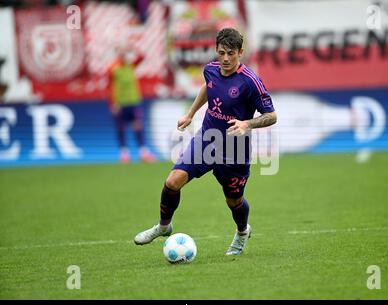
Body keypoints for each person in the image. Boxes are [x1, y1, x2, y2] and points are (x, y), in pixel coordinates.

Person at [134, 28, 277, 255]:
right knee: (172, 182)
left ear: (241, 52)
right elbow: (207, 88)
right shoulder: (210, 70)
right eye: (221, 53)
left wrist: (247, 124)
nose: (226, 58)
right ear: (216, 51)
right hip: (206, 141)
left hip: (234, 152)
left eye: (231, 53)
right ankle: (163, 226)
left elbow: (272, 116)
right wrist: (190, 114)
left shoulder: (251, 82)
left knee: (234, 202)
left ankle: (242, 232)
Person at [107, 45, 156, 164]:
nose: (124, 55)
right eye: (121, 53)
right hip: (120, 103)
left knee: (138, 126)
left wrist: (132, 48)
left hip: (134, 102)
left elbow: (142, 56)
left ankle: (143, 152)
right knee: (121, 128)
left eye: (125, 53)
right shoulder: (113, 68)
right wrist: (113, 103)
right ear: (117, 54)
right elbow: (110, 87)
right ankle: (124, 153)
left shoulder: (130, 65)